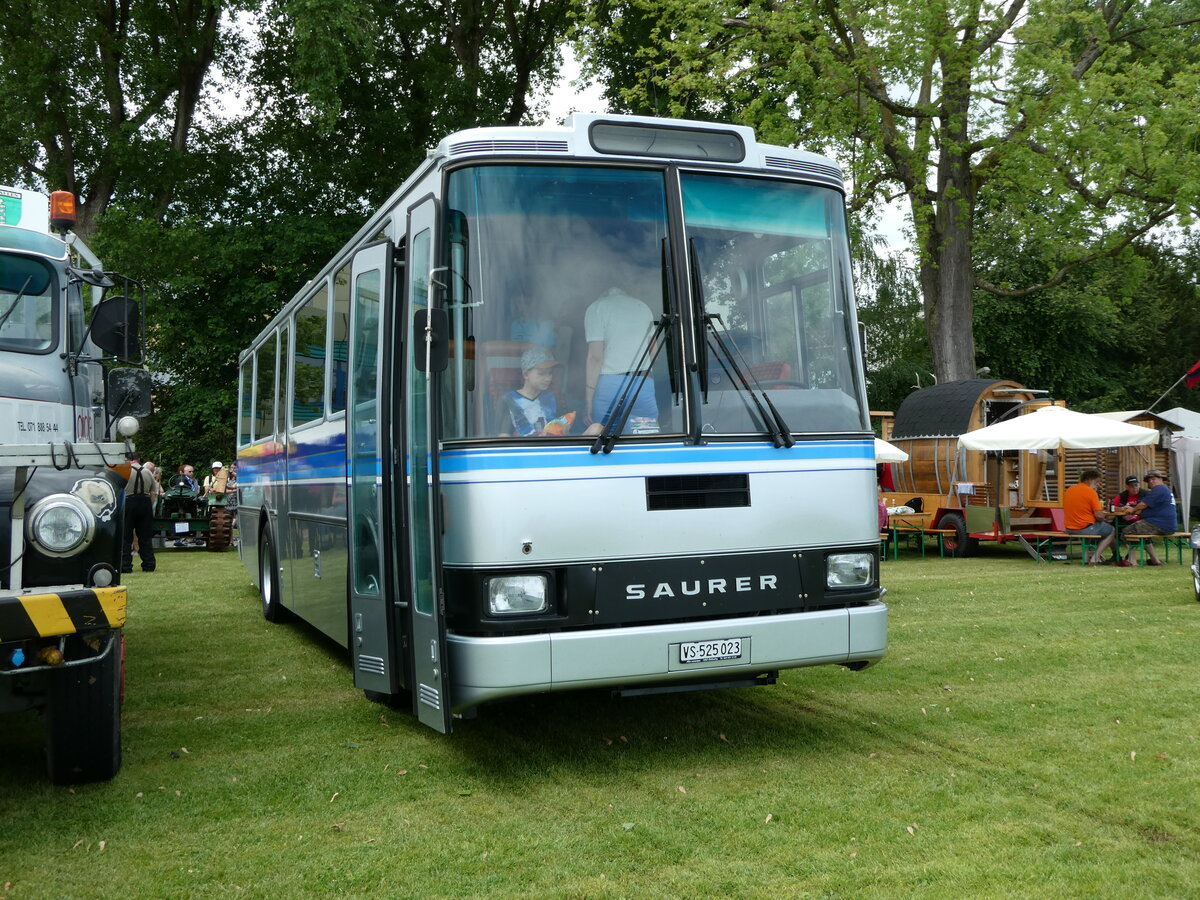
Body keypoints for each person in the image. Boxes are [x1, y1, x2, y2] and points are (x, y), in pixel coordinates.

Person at [584, 286, 658, 434]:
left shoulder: (597, 308)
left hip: (610, 385)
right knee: (645, 438)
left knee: (604, 439)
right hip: (642, 383)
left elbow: (596, 357)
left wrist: (588, 399)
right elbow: (653, 350)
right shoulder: (642, 307)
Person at [497, 347, 566, 436]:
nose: (548, 378)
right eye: (541, 373)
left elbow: (562, 428)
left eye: (550, 373)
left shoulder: (553, 398)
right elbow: (503, 436)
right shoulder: (508, 400)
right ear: (526, 374)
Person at [1062, 468, 1122, 565]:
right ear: (1089, 480)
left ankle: (1115, 555)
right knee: (1111, 530)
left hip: (1069, 528)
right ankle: (1095, 558)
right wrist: (1102, 514)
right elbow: (1099, 516)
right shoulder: (1091, 492)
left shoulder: (1069, 490)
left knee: (1103, 528)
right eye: (1097, 482)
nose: (1099, 485)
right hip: (1083, 528)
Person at [1121, 470, 1178, 566]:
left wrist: (1132, 510)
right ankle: (1155, 560)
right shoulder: (1164, 490)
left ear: (1161, 479)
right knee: (1142, 531)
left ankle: (1132, 560)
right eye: (1149, 480)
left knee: (1127, 531)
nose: (1151, 481)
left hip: (1160, 523)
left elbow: (1143, 504)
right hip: (1166, 524)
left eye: (1153, 479)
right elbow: (1146, 507)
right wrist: (1134, 510)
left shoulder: (1159, 489)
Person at [121, 458, 161, 573]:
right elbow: (153, 492)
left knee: (126, 537)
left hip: (128, 502)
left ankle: (125, 566)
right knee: (145, 537)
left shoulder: (124, 471)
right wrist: (149, 506)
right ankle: (149, 565)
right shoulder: (147, 471)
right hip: (145, 503)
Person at [1108, 475, 1146, 563]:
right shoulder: (1122, 496)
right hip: (1122, 521)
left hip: (1140, 522)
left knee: (1134, 530)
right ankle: (1116, 554)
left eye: (1136, 485)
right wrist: (1121, 509)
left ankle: (1130, 556)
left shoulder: (1145, 494)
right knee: (1110, 531)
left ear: (1139, 485)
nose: (1134, 488)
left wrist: (1135, 509)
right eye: (1132, 486)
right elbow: (1112, 507)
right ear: (1127, 487)